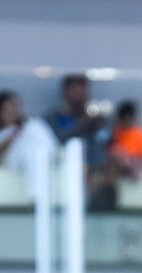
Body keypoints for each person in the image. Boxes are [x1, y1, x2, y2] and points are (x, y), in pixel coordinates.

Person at [44, 74, 111, 208]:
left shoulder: (97, 119)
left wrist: (98, 123)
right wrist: (82, 123)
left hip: (97, 168)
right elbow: (57, 139)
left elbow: (106, 138)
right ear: (65, 92)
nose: (81, 96)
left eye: (84, 91)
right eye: (76, 91)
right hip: (68, 167)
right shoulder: (54, 117)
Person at [0, 90, 57, 197]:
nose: (12, 112)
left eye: (15, 108)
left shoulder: (28, 126)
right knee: (29, 150)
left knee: (35, 127)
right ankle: (36, 192)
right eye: (8, 109)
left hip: (37, 153)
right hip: (13, 159)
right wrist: (12, 137)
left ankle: (50, 156)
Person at [106, 99, 142, 182]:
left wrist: (134, 159)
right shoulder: (116, 132)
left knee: (135, 160)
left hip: (135, 162)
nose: (127, 122)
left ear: (133, 118)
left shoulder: (140, 133)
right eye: (124, 119)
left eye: (128, 118)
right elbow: (111, 149)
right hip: (120, 164)